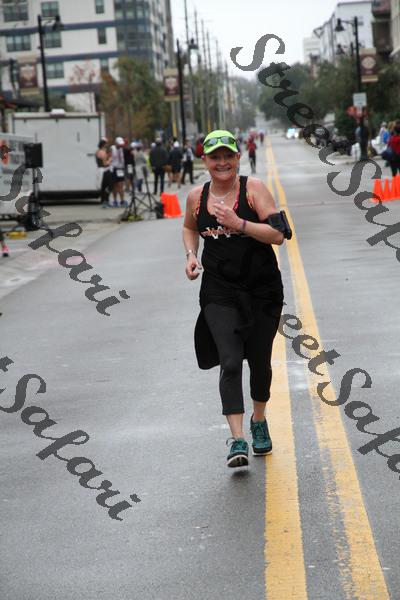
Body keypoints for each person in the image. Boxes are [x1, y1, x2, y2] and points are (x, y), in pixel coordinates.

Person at [182, 129, 287, 469]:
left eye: (228, 156)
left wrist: (239, 223)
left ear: (238, 157)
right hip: (219, 291)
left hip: (262, 290)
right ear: (205, 161)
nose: (222, 162)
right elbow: (189, 228)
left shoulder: (253, 190)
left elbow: (278, 234)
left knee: (259, 362)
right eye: (215, 157)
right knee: (229, 361)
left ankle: (259, 420)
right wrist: (191, 255)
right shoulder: (196, 197)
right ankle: (237, 438)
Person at [110, 136, 127, 207]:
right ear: (116, 143)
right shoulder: (112, 148)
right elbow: (109, 156)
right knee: (115, 185)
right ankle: (115, 201)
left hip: (121, 169)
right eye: (119, 144)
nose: (120, 146)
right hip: (114, 168)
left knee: (121, 185)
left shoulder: (122, 149)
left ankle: (122, 201)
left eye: (121, 144)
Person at [95, 139, 112, 208]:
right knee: (108, 186)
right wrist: (110, 160)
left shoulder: (97, 151)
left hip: (99, 169)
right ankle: (106, 201)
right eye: (106, 144)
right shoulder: (103, 152)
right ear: (103, 145)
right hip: (104, 170)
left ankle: (103, 201)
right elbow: (105, 163)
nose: (107, 145)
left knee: (102, 186)